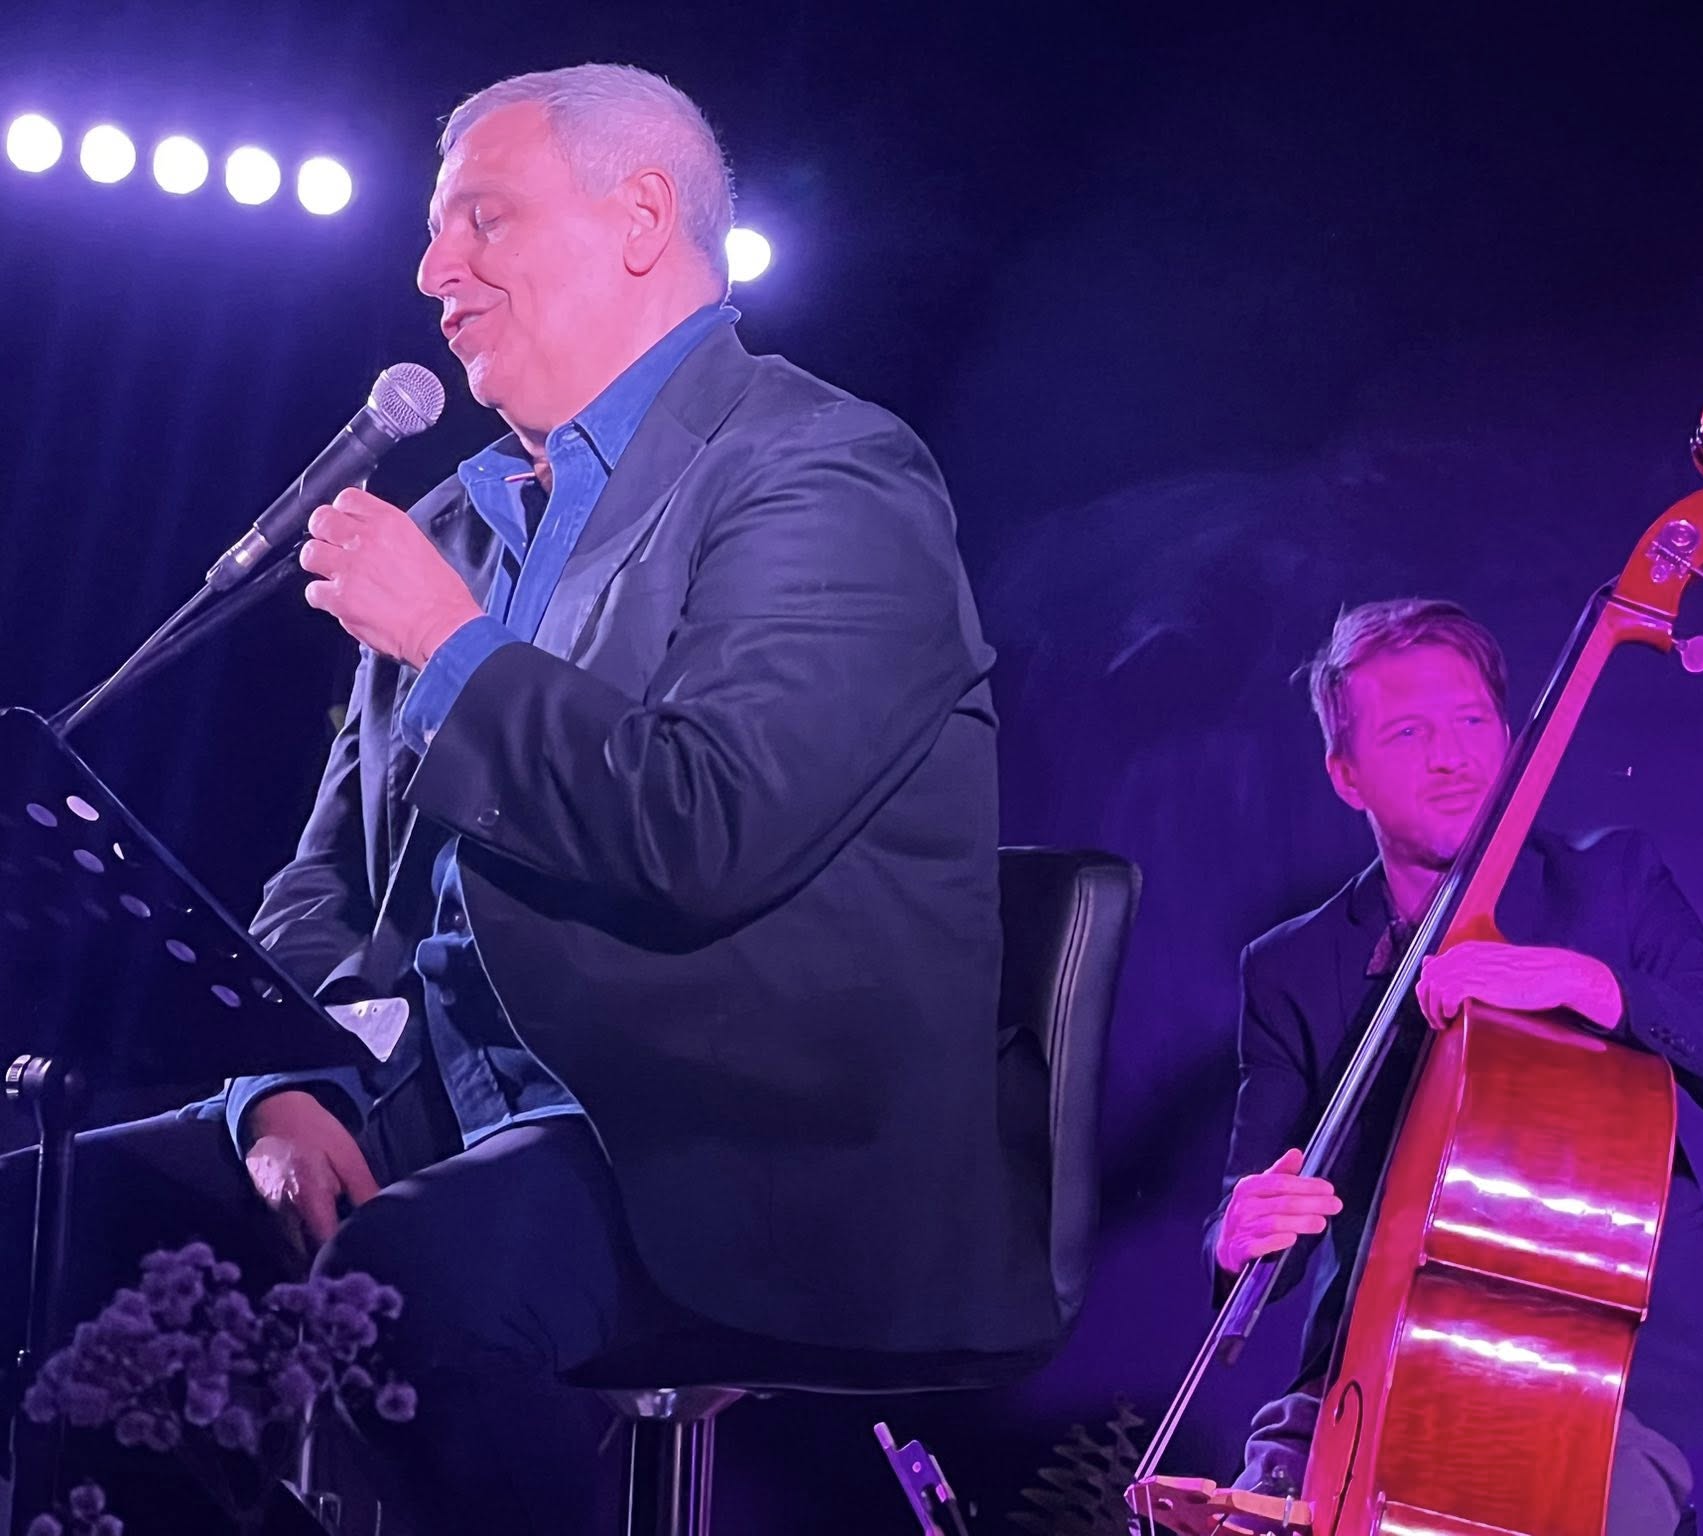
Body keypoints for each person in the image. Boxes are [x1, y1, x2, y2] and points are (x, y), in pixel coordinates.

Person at [1, 62, 1050, 1536]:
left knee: (404, 1296)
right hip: (445, 1104)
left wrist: (450, 644)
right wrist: (278, 1087)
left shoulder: (827, 473)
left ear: (641, 218)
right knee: (34, 1230)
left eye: (482, 220)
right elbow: (328, 880)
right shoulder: (458, 521)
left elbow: (710, 826)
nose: (433, 272)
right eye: (437, 232)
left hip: (717, 1134)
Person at [1202, 598, 1703, 1533]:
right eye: (1408, 733)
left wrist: (1590, 984)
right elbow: (1268, 1227)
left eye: (1473, 721)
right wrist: (1239, 1236)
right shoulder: (1292, 966)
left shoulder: (1610, 886)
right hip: (1369, 1373)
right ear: (1346, 775)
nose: (1453, 758)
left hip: (1596, 1379)